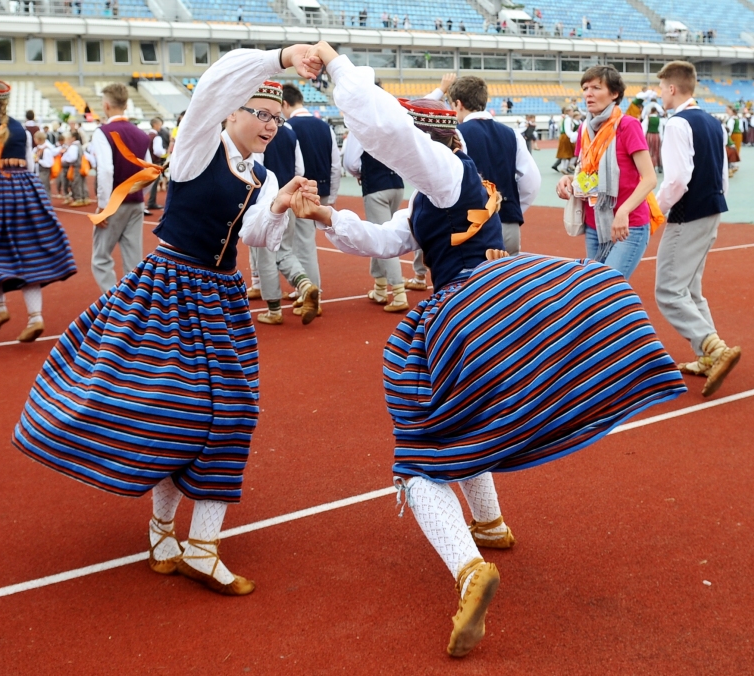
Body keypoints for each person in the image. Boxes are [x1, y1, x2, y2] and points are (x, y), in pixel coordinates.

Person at [292, 41, 686, 658]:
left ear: (431, 139)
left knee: (420, 449)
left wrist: (340, 68)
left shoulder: (444, 174)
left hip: (465, 315)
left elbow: (391, 134)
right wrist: (325, 217)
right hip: (491, 302)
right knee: (462, 419)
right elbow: (385, 239)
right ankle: (492, 525)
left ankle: (469, 566)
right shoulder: (437, 195)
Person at [12, 46, 322, 598]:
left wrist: (279, 208)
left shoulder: (265, 172)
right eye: (260, 113)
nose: (271, 124)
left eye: (277, 117)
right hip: (169, 288)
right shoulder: (199, 147)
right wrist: (280, 58)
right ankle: (163, 533)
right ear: (231, 112)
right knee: (166, 411)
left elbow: (253, 235)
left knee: (230, 412)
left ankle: (199, 545)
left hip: (220, 297)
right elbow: (210, 86)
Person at [0, 79, 76, 343]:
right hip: (25, 189)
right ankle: (35, 317)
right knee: (29, 251)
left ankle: (0, 308)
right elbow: (30, 166)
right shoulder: (21, 128)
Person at [654, 61, 741, 398]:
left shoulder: (677, 124)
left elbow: (676, 179)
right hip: (712, 207)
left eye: (662, 88)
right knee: (690, 287)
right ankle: (708, 355)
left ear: (672, 88)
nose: (660, 93)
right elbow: (722, 174)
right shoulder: (712, 122)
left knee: (668, 290)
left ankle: (714, 348)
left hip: (687, 213)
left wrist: (656, 213)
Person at [556, 66, 658, 279]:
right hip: (596, 226)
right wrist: (569, 179)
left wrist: (624, 211)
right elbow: (588, 173)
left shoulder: (627, 126)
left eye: (596, 87)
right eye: (585, 88)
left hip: (627, 225)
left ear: (614, 93)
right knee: (594, 289)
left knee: (606, 288)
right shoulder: (585, 129)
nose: (588, 93)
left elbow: (649, 179)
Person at [445, 75, 541, 255]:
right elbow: (532, 181)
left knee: (473, 282)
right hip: (507, 223)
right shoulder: (512, 134)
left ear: (458, 104)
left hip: (472, 227)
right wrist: (513, 209)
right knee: (508, 281)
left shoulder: (457, 135)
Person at [282, 83, 340, 322]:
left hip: (300, 191)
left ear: (285, 104)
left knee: (301, 244)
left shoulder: (287, 127)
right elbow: (336, 163)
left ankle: (312, 294)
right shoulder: (324, 126)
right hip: (323, 187)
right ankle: (303, 289)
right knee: (302, 243)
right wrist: (331, 196)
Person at [88, 83, 153, 294]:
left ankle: (112, 303)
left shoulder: (103, 132)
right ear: (125, 104)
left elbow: (106, 170)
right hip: (136, 202)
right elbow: (150, 171)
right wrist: (139, 194)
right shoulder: (142, 134)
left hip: (115, 201)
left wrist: (103, 205)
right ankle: (135, 304)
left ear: (106, 106)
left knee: (100, 257)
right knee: (133, 258)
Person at [343, 124, 409, 312]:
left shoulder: (361, 125)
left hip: (375, 186)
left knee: (383, 237)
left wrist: (360, 173)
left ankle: (398, 292)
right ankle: (380, 287)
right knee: (380, 232)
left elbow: (350, 162)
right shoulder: (392, 123)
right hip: (397, 184)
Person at [252, 118, 310, 323]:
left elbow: (254, 170)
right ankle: (304, 285)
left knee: (265, 255)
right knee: (285, 250)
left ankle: (274, 310)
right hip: (289, 197)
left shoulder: (256, 132)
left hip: (266, 201)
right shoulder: (290, 133)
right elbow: (299, 170)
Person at [63, 129, 90, 207]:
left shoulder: (73, 147)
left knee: (76, 183)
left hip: (76, 167)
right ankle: (85, 197)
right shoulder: (79, 146)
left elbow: (72, 158)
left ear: (73, 138)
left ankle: (78, 198)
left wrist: (66, 159)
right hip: (81, 166)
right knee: (82, 182)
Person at [146, 116, 167, 211]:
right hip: (155, 163)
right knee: (154, 183)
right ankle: (151, 202)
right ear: (155, 125)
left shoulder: (147, 135)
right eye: (159, 125)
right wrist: (164, 152)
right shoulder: (156, 137)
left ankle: (150, 202)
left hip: (148, 163)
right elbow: (157, 151)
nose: (160, 127)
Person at [642, 98, 666, 174]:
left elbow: (644, 128)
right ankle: (658, 166)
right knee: (657, 151)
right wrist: (661, 138)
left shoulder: (647, 118)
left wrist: (643, 137)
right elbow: (660, 130)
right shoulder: (659, 119)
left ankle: (649, 166)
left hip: (649, 135)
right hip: (657, 136)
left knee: (649, 151)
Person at [553, 106, 578, 173]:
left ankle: (565, 167)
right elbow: (568, 130)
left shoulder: (565, 118)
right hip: (567, 136)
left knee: (566, 153)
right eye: (572, 111)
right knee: (567, 153)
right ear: (568, 112)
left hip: (565, 136)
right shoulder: (567, 119)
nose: (573, 112)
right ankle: (566, 167)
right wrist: (572, 136)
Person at [33, 130, 58, 196]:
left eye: (35, 138)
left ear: (39, 139)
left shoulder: (46, 150)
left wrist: (39, 161)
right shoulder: (36, 149)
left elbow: (49, 163)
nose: (34, 140)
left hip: (44, 172)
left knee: (45, 189)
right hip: (37, 171)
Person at [724, 107, 742, 176]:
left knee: (732, 148)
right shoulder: (736, 118)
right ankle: (734, 164)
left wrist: (728, 137)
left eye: (728, 109)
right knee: (736, 148)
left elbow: (729, 129)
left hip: (733, 135)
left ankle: (732, 165)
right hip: (738, 134)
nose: (726, 111)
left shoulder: (732, 119)